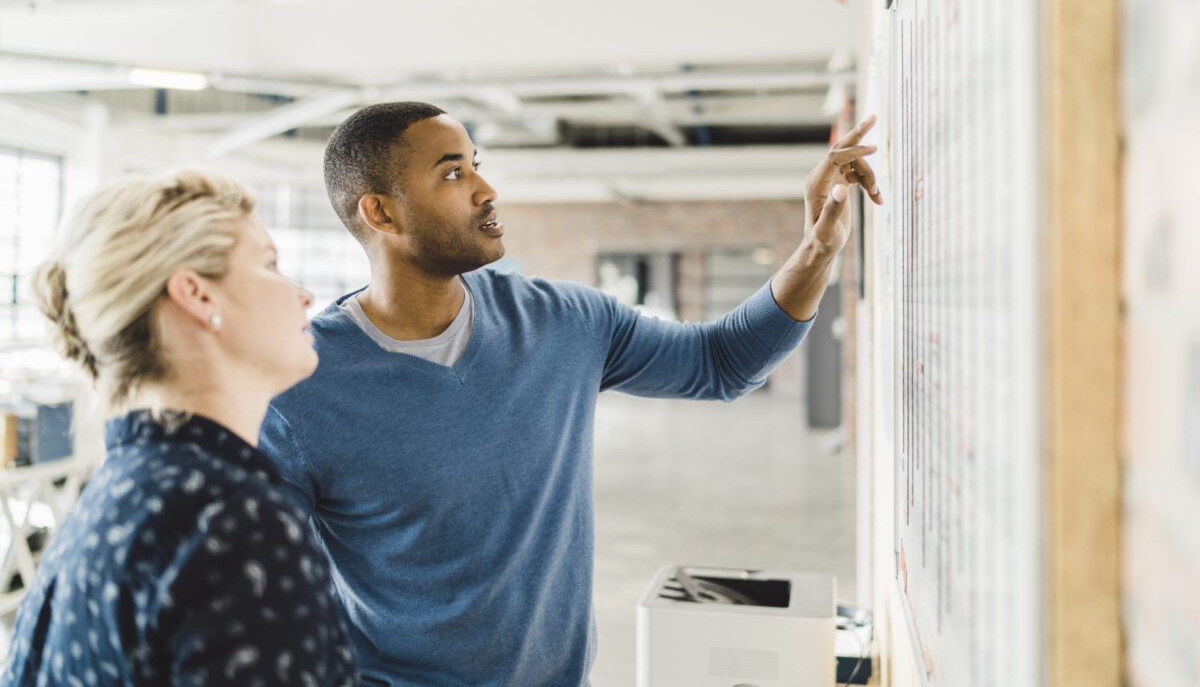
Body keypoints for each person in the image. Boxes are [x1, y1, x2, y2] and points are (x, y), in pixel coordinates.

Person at [258, 102, 881, 687]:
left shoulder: (563, 322)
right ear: (382, 214)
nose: (486, 189)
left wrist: (818, 251)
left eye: (477, 165)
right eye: (452, 174)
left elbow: (721, 363)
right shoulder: (297, 386)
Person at [1, 171, 360, 687]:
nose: (302, 295)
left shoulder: (119, 499)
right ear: (197, 294)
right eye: (269, 264)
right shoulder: (234, 524)